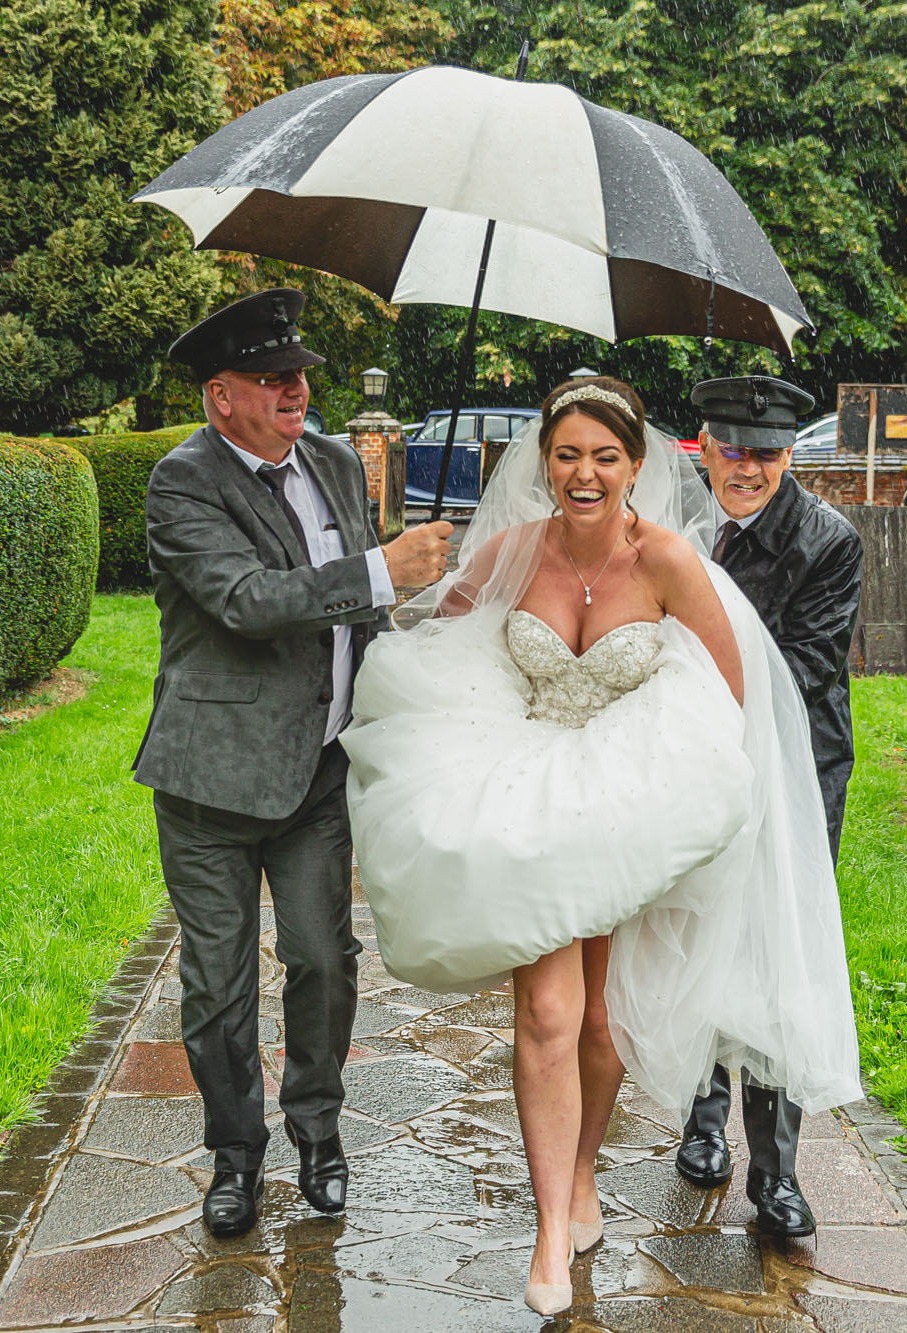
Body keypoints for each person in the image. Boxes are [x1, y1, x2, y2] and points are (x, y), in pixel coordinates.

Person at [342, 376, 861, 1316]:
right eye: (569, 453)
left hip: (625, 802)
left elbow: (731, 691)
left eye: (605, 455)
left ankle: (583, 1171)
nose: (585, 473)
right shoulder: (510, 549)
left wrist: (686, 799)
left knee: (599, 1021)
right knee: (546, 1008)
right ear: (545, 459)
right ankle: (550, 1226)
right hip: (532, 790)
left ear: (636, 465)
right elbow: (439, 636)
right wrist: (420, 583)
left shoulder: (666, 560)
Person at [132, 288, 453, 1238]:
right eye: (275, 380)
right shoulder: (179, 483)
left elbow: (351, 608)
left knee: (323, 961)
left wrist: (415, 626)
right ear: (219, 395)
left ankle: (319, 1135)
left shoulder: (332, 463)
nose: (297, 390)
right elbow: (247, 599)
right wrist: (384, 570)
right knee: (218, 987)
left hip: (318, 772)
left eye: (302, 374)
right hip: (211, 782)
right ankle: (236, 1156)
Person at [676, 375, 863, 1241]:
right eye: (734, 448)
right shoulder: (682, 529)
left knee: (774, 952)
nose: (748, 467)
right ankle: (702, 1119)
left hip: (792, 768)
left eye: (769, 452)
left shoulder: (828, 541)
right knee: (700, 931)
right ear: (704, 445)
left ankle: (776, 1172)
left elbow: (799, 669)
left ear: (792, 454)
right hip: (694, 764)